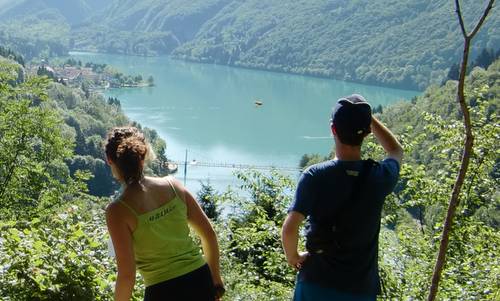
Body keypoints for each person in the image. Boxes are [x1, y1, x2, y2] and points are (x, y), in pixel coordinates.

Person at [281, 94, 403, 300]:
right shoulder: (379, 176)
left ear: (333, 129)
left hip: (315, 284)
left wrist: (293, 257)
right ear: (366, 134)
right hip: (360, 289)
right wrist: (367, 118)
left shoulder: (314, 176)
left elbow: (290, 228)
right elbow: (395, 150)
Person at [104, 126, 224, 301]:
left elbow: (127, 275)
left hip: (163, 291)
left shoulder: (117, 211)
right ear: (143, 156)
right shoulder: (173, 186)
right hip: (200, 279)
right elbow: (208, 234)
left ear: (109, 160)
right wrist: (216, 281)